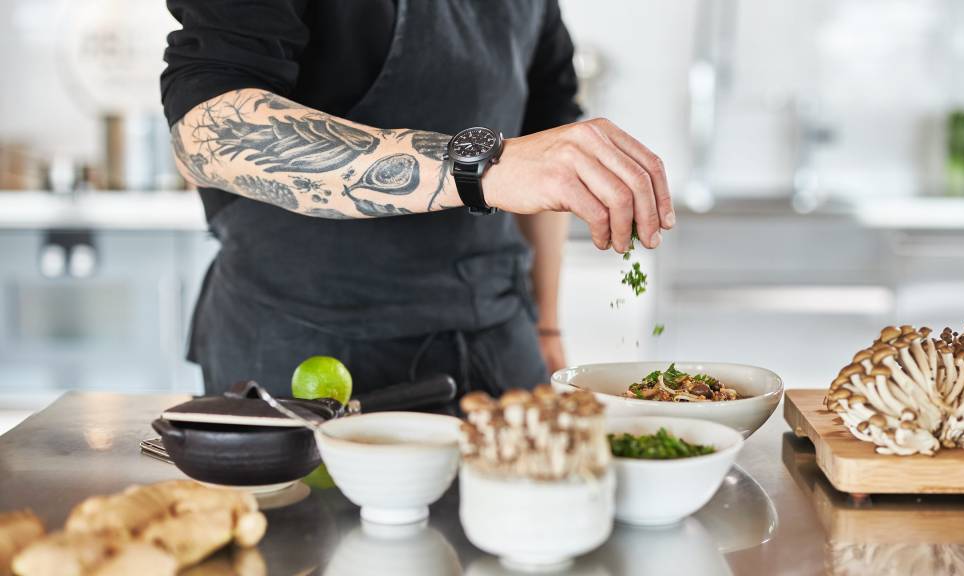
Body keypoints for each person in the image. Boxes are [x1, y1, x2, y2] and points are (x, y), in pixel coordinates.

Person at [161, 0, 674, 399]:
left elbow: (547, 131)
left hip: (500, 340)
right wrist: (481, 166)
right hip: (307, 347)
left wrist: (546, 325)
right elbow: (205, 134)